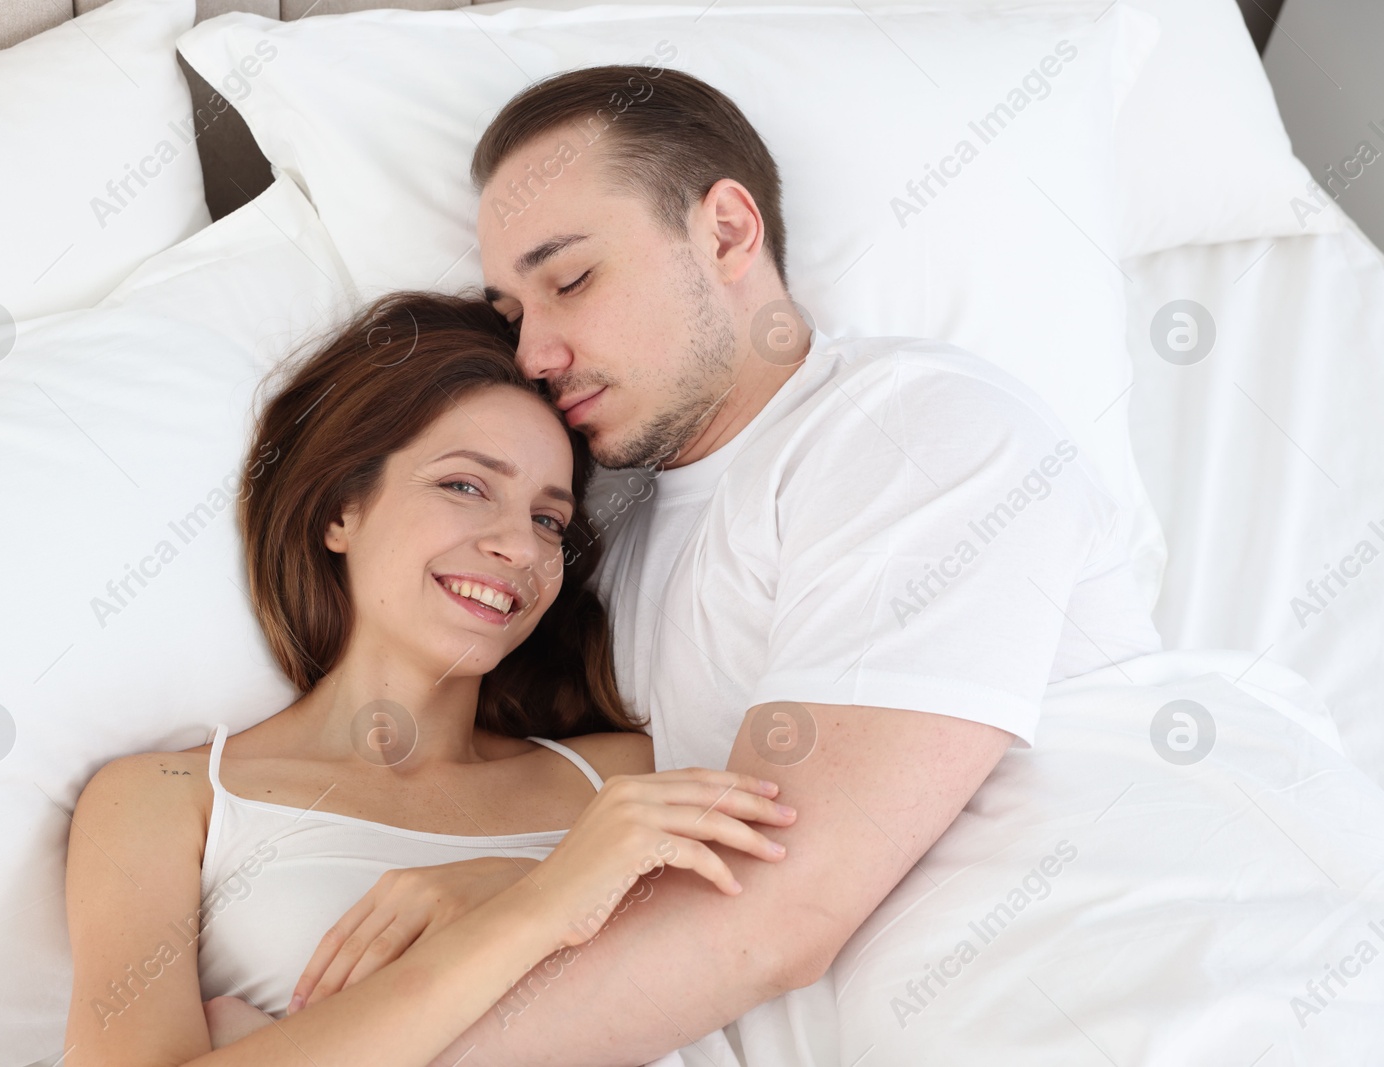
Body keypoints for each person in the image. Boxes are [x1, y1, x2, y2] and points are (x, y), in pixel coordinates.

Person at [398, 65, 1163, 1065]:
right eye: (511, 315)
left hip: (1115, 996)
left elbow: (774, 913)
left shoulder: (910, 429)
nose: (536, 351)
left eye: (572, 279)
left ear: (724, 232)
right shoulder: (603, 557)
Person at [60, 292, 797, 1066]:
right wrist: (539, 901)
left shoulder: (625, 776)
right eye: (466, 486)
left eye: (550, 519)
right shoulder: (166, 799)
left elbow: (767, 941)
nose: (520, 545)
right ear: (342, 510)